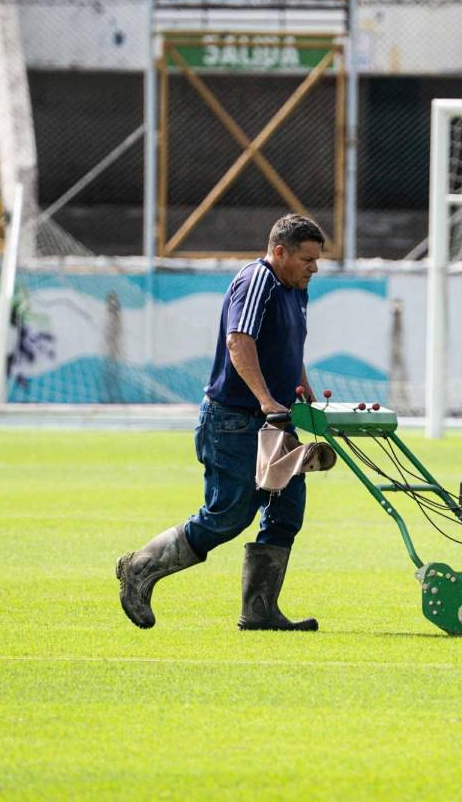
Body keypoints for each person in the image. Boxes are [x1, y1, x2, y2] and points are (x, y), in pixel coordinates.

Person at [117, 214, 325, 631]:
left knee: (287, 509)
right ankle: (140, 567)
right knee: (228, 514)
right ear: (279, 252)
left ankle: (260, 610)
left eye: (317, 260)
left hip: (275, 423)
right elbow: (239, 341)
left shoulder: (294, 287)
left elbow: (289, 346)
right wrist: (267, 399)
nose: (314, 268)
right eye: (307, 259)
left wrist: (303, 390)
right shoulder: (257, 281)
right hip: (234, 419)